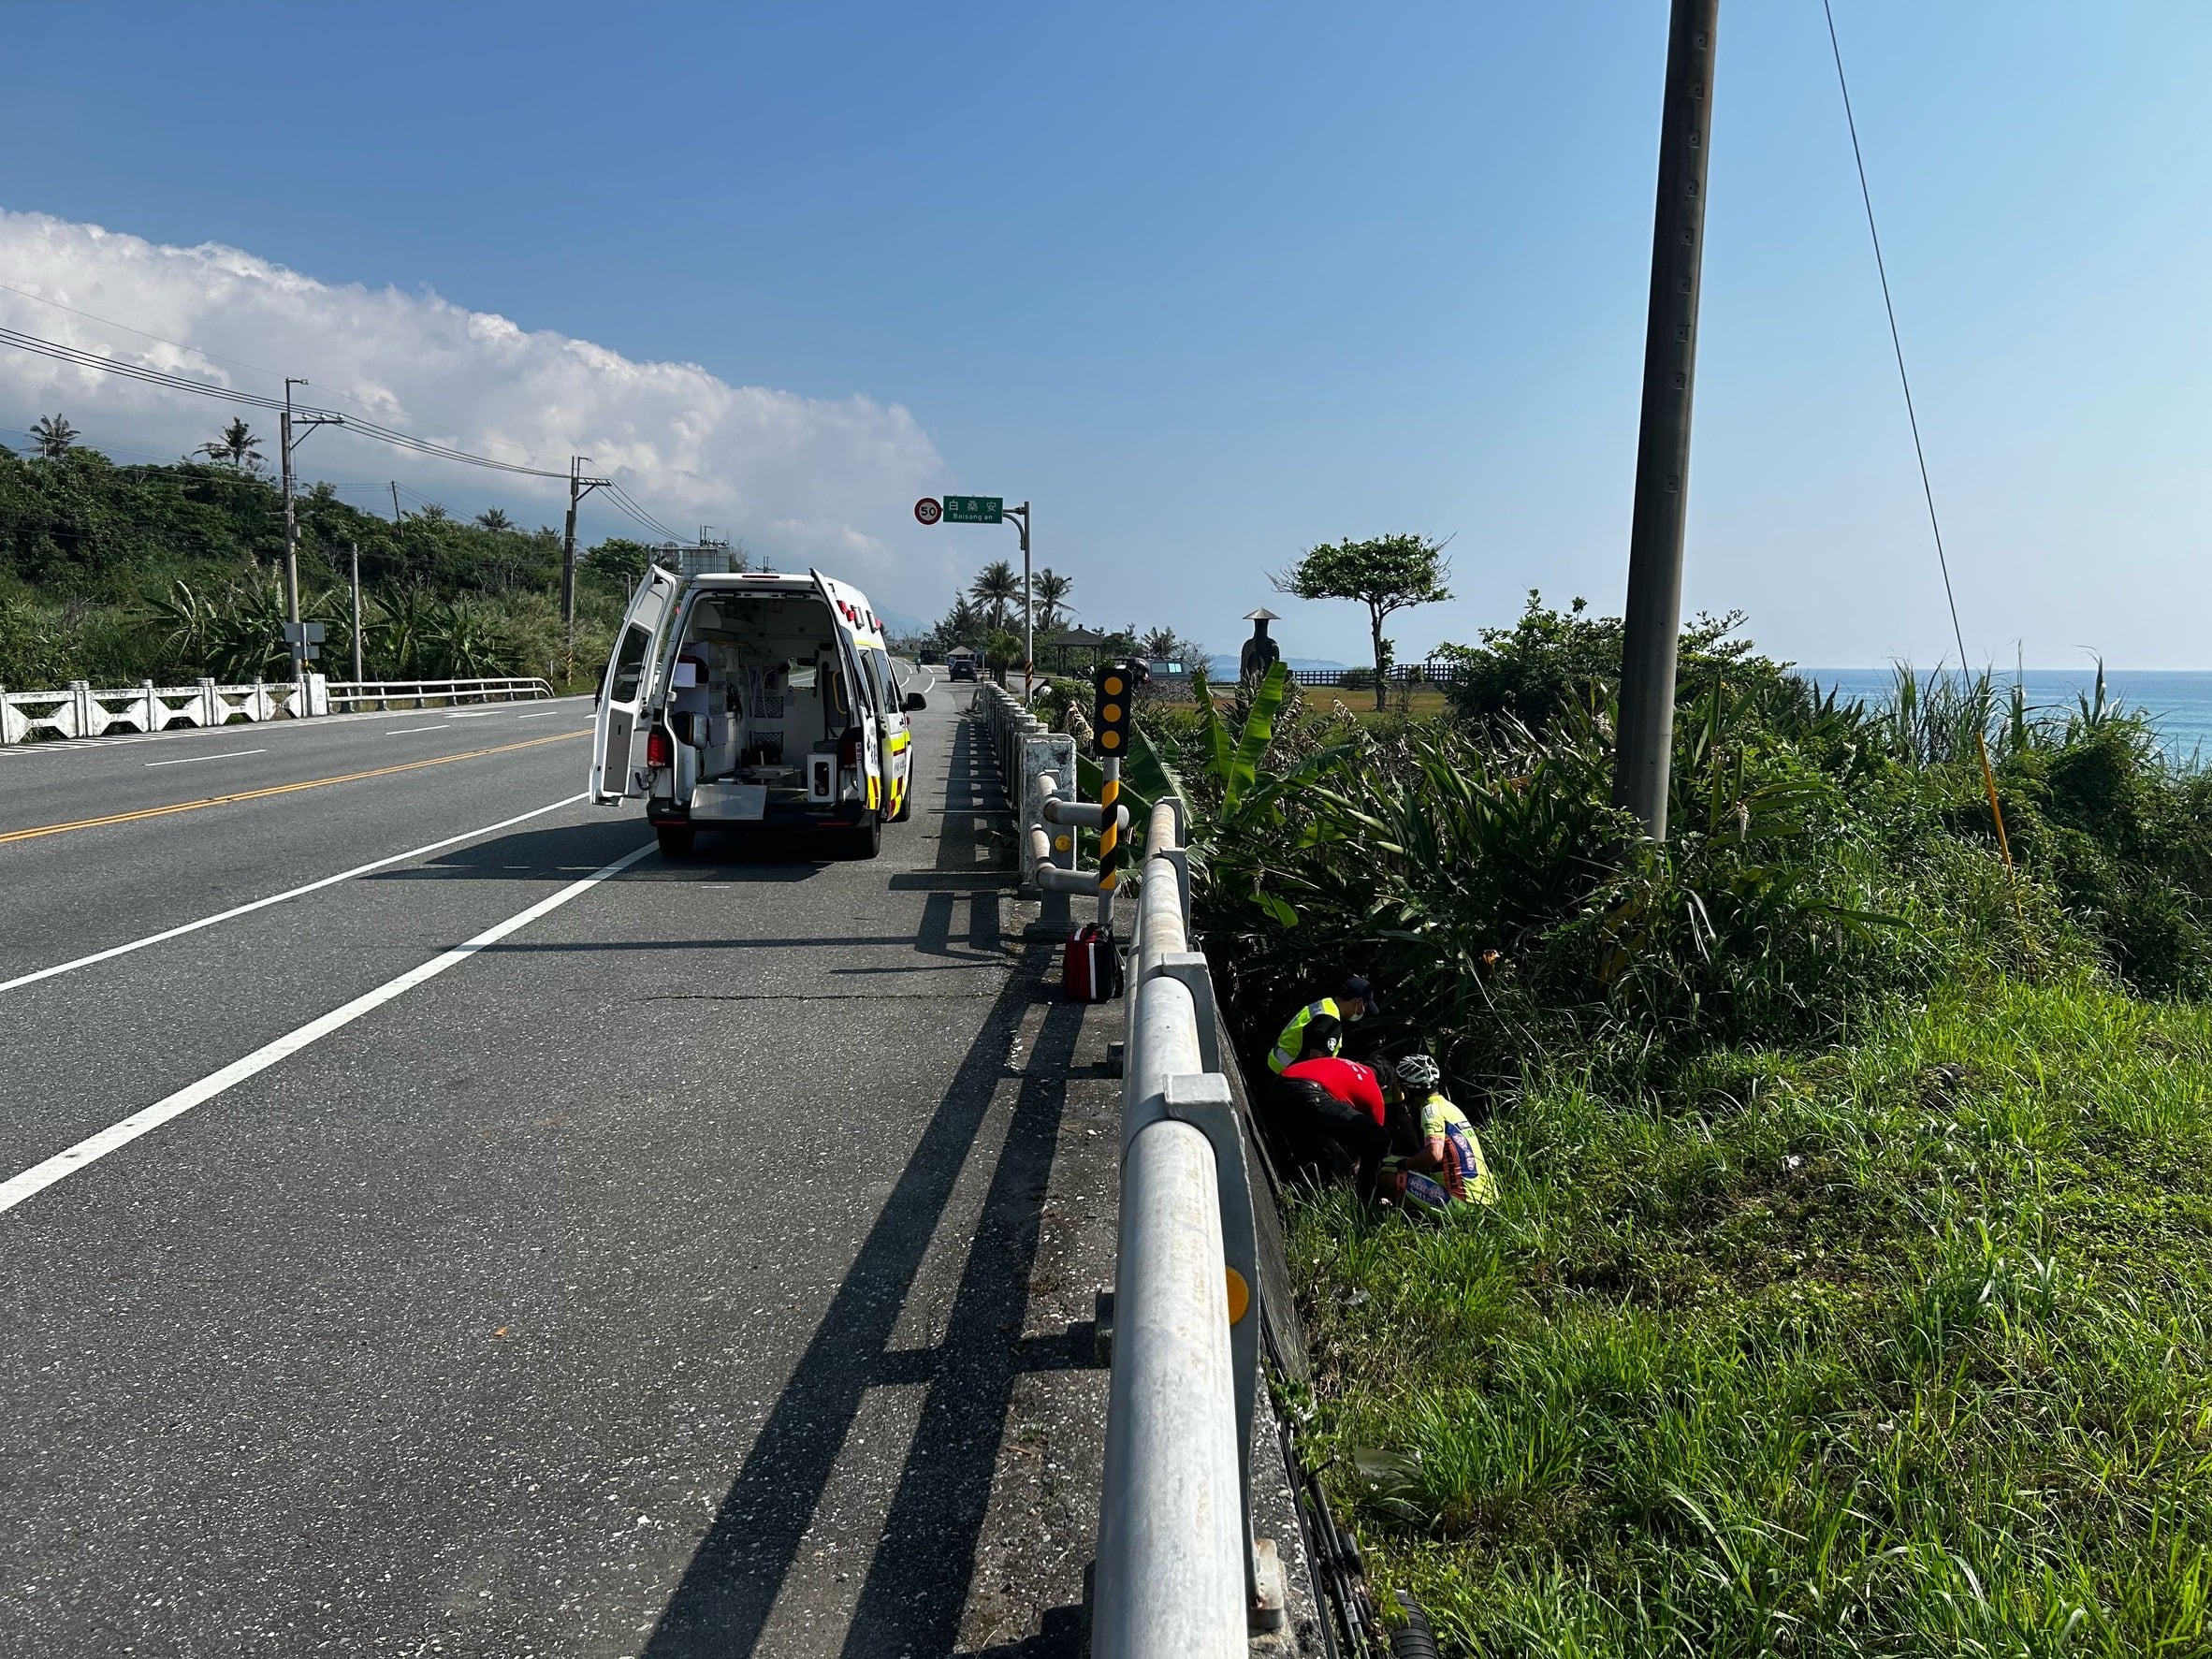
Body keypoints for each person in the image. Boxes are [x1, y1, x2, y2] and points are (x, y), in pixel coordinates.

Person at [1264, 1024, 1394, 1200]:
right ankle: (1365, 1202)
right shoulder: (1374, 1089)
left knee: (1322, 1147)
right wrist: (1359, 1166)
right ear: (1383, 1087)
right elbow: (1374, 1140)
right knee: (1382, 1139)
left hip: (1279, 1089)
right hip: (1307, 1096)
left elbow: (1324, 1117)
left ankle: (1295, 1185)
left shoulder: (1341, 1061)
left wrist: (1339, 1152)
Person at [1391, 1055, 1497, 1211]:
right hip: (1487, 1199)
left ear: (1405, 1090)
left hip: (1461, 1203)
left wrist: (1403, 1165)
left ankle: (1420, 1219)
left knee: (1386, 1174)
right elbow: (1422, 1150)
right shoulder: (1448, 1107)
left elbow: (1434, 1154)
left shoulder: (1430, 1112)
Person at [1267, 974, 1378, 1074]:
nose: (1363, 1011)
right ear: (1358, 1002)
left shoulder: (1324, 1004)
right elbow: (1316, 1063)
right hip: (1287, 1074)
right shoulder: (1331, 1022)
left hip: (1275, 1064)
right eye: (1365, 1006)